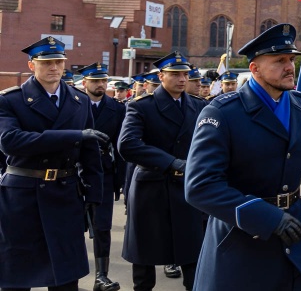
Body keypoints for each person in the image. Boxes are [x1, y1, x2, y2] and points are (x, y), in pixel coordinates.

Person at [185, 24, 301, 290]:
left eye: (291, 60)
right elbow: (200, 187)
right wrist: (268, 218)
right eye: (279, 61)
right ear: (255, 69)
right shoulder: (223, 113)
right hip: (243, 238)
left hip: (296, 229)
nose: (289, 67)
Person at [0, 37, 106, 291]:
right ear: (31, 65)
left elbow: (90, 152)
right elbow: (10, 141)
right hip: (23, 195)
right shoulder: (11, 100)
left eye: (59, 62)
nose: (54, 68)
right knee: (17, 274)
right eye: (46, 62)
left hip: (64, 192)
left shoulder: (78, 101)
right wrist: (73, 136)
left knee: (65, 275)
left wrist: (94, 195)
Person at [119, 52, 206, 291]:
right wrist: (171, 162)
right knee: (144, 258)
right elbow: (127, 144)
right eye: (175, 74)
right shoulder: (142, 106)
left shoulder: (198, 106)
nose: (181, 79)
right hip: (152, 187)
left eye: (185, 74)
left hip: (187, 189)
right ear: (161, 76)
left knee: (192, 254)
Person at [79, 62, 127, 291]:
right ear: (84, 83)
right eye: (96, 80)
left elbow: (121, 147)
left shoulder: (117, 109)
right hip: (75, 173)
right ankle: (70, 274)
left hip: (103, 174)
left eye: (103, 80)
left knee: (102, 226)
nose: (101, 85)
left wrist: (120, 180)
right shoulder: (74, 104)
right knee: (70, 225)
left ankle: (102, 276)